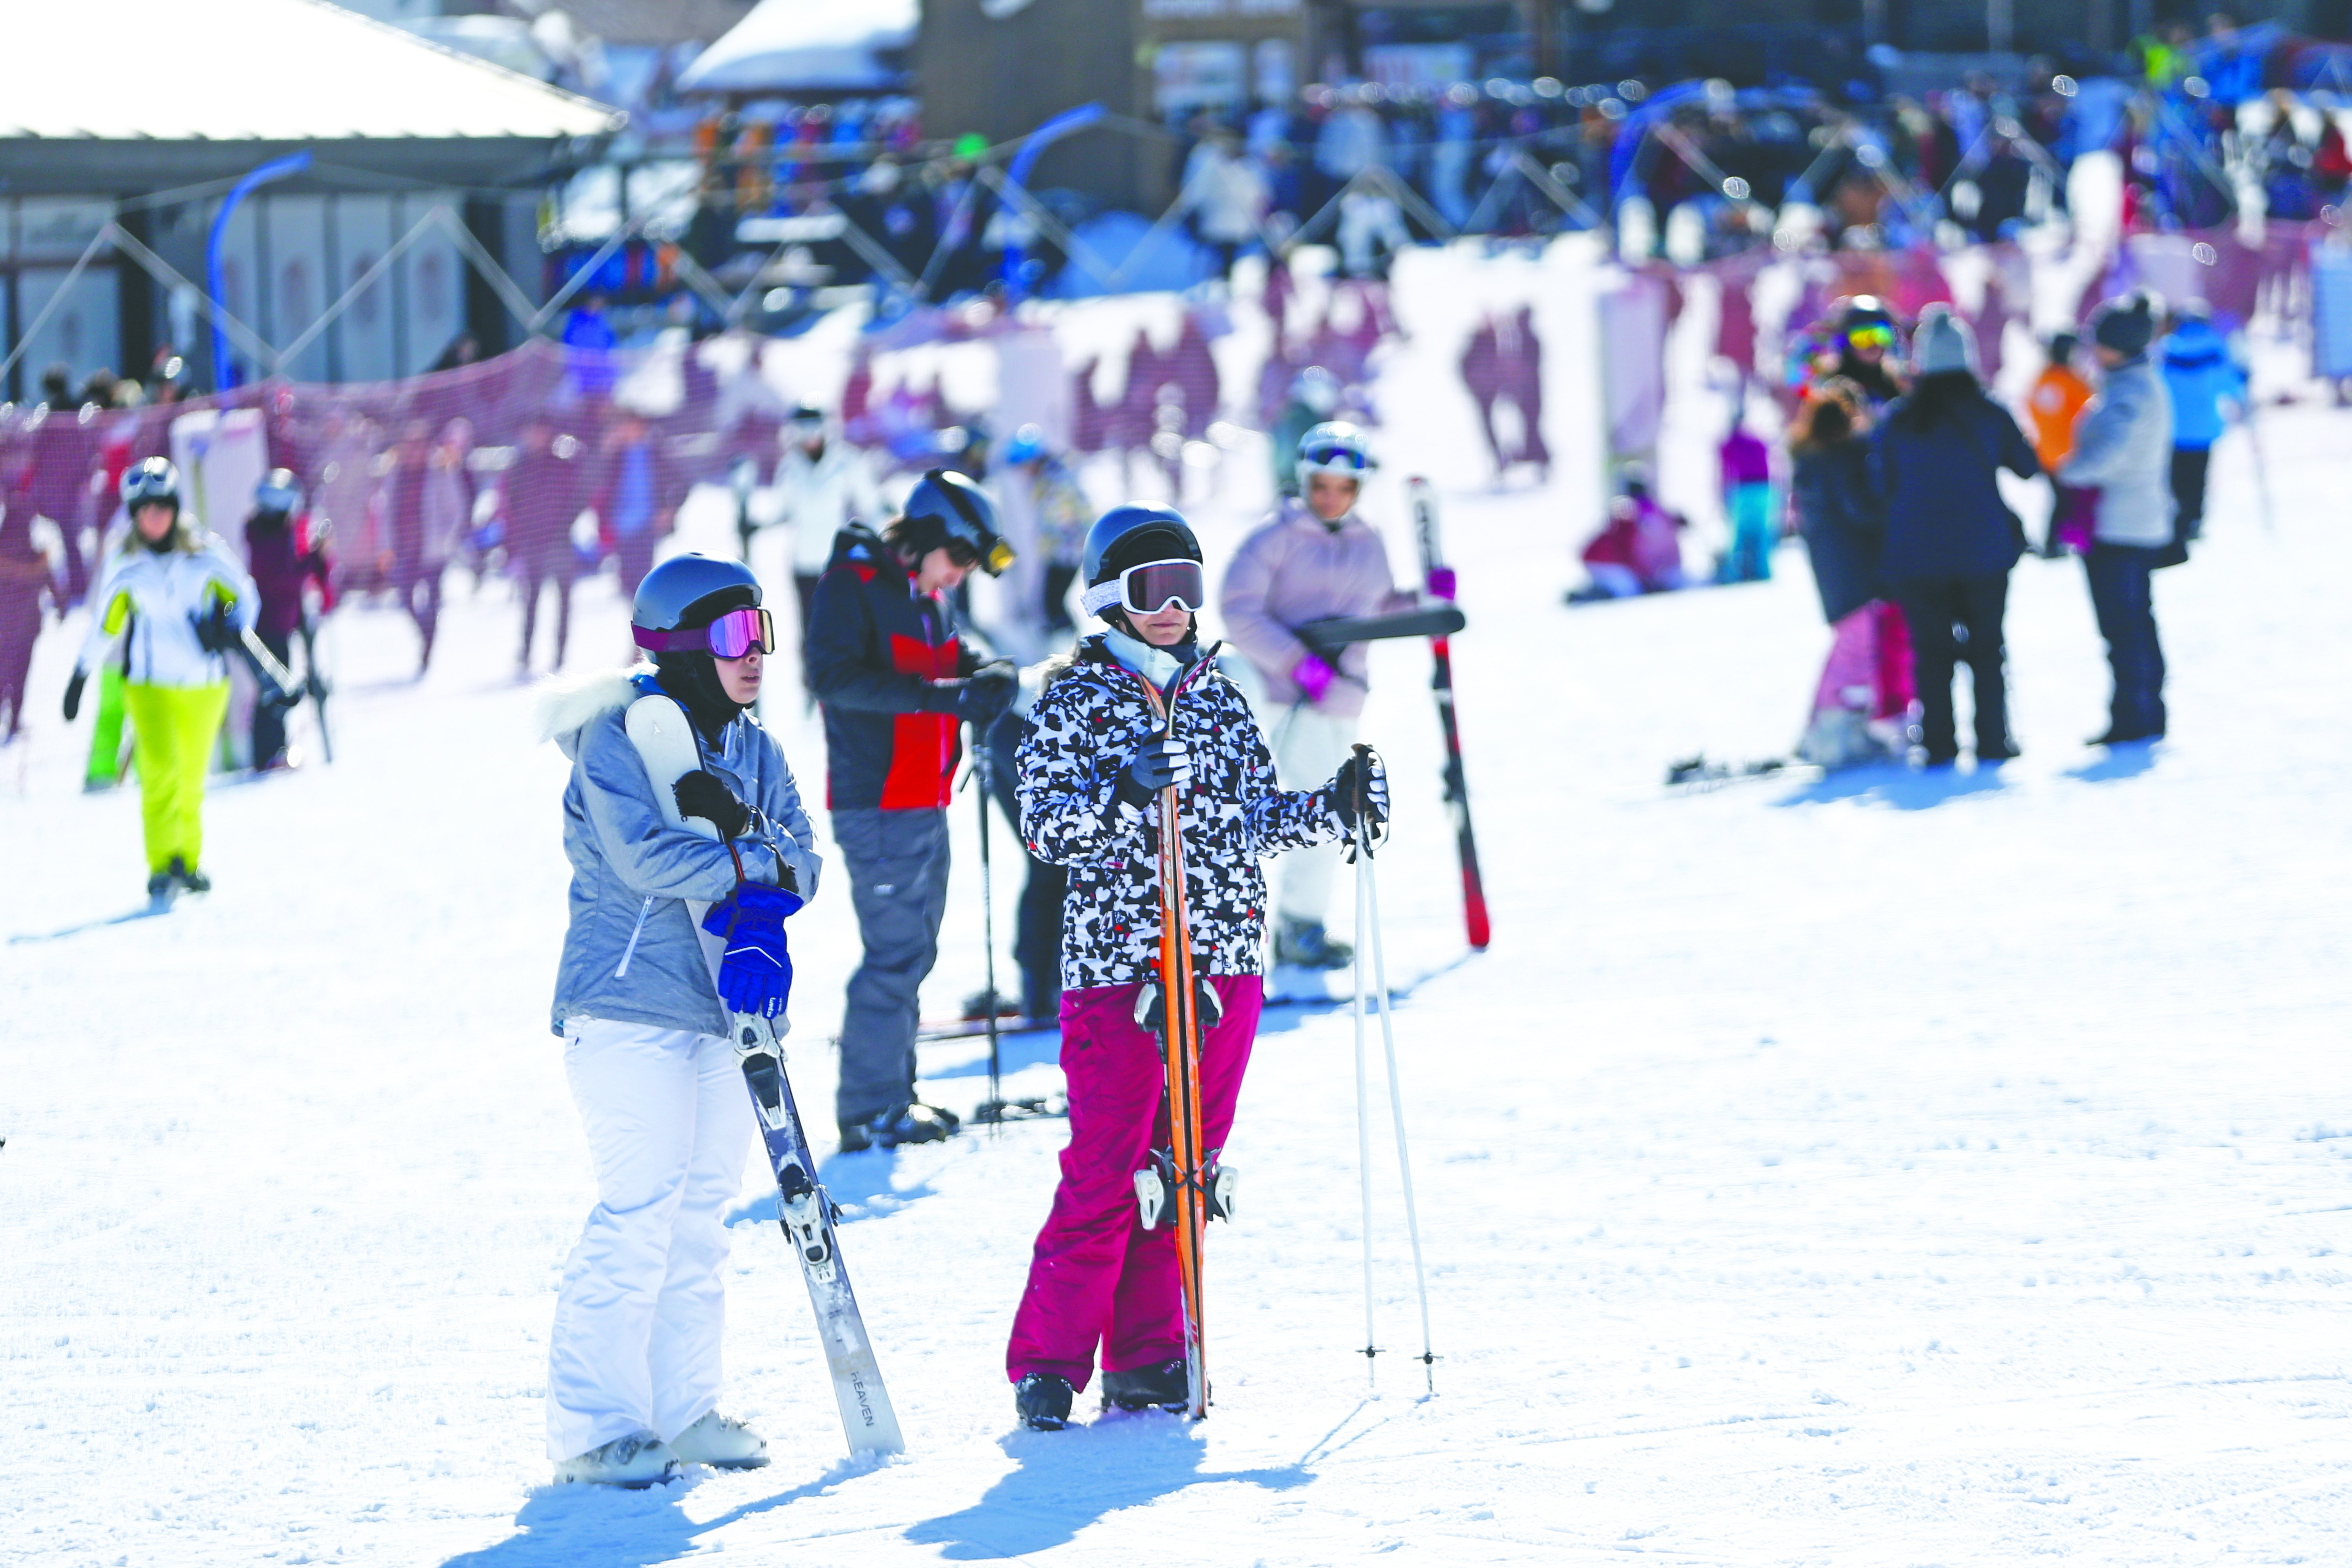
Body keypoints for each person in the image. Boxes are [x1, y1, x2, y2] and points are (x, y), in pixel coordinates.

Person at [1006, 502, 1388, 1430]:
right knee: (1106, 1167)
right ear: (1110, 597)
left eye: (1185, 585)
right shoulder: (1072, 694)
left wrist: (1329, 807)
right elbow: (1045, 827)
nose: (1172, 606)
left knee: (1183, 1166)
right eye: (1151, 589)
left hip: (1220, 958)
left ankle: (1147, 1353)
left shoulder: (1218, 692)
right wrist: (1123, 791)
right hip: (1118, 964)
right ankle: (1050, 1359)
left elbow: (1253, 815)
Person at [538, 553, 820, 1488]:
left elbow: (805, 863)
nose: (755, 657)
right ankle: (593, 1429)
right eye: (737, 638)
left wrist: (760, 878)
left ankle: (682, 1410)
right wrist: (750, 865)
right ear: (684, 648)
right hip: (626, 1008)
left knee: (701, 1219)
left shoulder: (756, 748)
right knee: (639, 1211)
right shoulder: (617, 737)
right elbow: (647, 859)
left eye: (764, 634)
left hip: (726, 1011)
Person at [806, 469, 1019, 1150]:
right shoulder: (855, 582)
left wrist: (988, 671)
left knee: (915, 950)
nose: (958, 577)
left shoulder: (928, 598)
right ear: (928, 535)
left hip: (925, 796)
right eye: (957, 560)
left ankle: (895, 1095)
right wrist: (944, 697)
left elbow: (955, 655)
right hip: (878, 800)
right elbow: (833, 678)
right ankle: (870, 1107)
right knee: (895, 954)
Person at [1218, 422, 1412, 971]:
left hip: (1342, 699)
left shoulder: (1367, 541)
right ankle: (1296, 927)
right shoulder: (1272, 537)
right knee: (1317, 808)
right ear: (1303, 481)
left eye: (1343, 488)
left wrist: (1425, 602)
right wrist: (1298, 665)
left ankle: (1300, 924)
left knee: (1339, 811)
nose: (1330, 497)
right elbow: (1239, 610)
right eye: (1320, 485)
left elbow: (1374, 610)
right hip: (1283, 700)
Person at [62, 459, 260, 897]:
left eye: (161, 506)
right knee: (157, 775)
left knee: (190, 779)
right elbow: (105, 625)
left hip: (203, 686)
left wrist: (227, 624)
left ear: (174, 506)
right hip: (148, 685)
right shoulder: (126, 561)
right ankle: (160, 864)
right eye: (143, 508)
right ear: (133, 514)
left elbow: (246, 596)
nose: (153, 516)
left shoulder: (204, 552)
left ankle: (188, 860)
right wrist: (80, 674)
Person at [1877, 305, 2041, 768]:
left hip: (1915, 555)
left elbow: (1880, 487)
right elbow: (2027, 468)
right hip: (1984, 551)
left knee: (1930, 654)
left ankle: (1938, 744)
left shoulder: (1899, 421)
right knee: (1987, 648)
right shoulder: (1989, 413)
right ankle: (1993, 740)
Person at [2063, 291, 2176, 745]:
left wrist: (2067, 469)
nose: (2092, 348)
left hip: (2119, 525)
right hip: (2134, 520)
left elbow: (2110, 454)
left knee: (2123, 627)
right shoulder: (2133, 385)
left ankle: (2134, 715)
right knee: (2137, 622)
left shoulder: (2130, 392)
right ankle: (2145, 711)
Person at [1789, 379, 1912, 769]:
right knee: (1856, 650)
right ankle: (1829, 731)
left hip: (1833, 572)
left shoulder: (1810, 462)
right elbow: (1861, 508)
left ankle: (1830, 727)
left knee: (1850, 647)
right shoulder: (1845, 458)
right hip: (1857, 570)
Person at [774, 405, 881, 671]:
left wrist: (868, 544)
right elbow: (782, 510)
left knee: (844, 621)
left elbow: (870, 506)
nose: (809, 437)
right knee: (809, 626)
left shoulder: (846, 461)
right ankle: (812, 681)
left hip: (838, 560)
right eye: (802, 430)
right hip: (804, 562)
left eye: (814, 429)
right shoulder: (789, 467)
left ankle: (847, 674)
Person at [243, 470, 334, 771]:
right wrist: (312, 556)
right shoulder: (265, 536)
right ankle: (268, 754)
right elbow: (284, 579)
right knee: (275, 690)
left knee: (280, 688)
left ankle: (275, 749)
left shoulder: (273, 533)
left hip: (281, 622)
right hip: (270, 626)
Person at [2156, 300, 2245, 564]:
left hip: (2173, 429)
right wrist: (2243, 380)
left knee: (2174, 478)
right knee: (2198, 478)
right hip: (2204, 427)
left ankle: (2177, 520)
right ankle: (2194, 520)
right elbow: (2230, 386)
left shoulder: (2167, 348)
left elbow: (2158, 382)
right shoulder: (2216, 348)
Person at [505, 416, 586, 677]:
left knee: (564, 600)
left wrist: (564, 526)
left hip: (560, 541)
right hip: (533, 542)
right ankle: (526, 652)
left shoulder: (564, 465)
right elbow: (513, 501)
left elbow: (578, 497)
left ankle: (560, 654)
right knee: (532, 599)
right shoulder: (520, 466)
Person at [997, 424, 1092, 634]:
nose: (1022, 473)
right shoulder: (1046, 480)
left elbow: (1064, 519)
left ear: (1033, 461)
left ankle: (1066, 643)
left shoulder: (1056, 480)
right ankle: (1062, 638)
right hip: (1059, 551)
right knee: (1050, 603)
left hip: (1066, 552)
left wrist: (1055, 539)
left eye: (1023, 466)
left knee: (1052, 604)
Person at [594, 410, 681, 605]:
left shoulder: (655, 453)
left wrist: (669, 508)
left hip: (646, 524)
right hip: (620, 526)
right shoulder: (615, 456)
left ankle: (646, 628)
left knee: (644, 583)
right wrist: (604, 453)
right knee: (627, 584)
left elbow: (681, 481)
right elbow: (594, 485)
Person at [1572, 462, 1688, 600]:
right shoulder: (1629, 511)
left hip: (1606, 560)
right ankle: (1587, 596)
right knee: (1627, 589)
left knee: (1629, 586)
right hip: (1605, 560)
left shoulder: (1644, 509)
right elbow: (1632, 548)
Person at [2026, 333, 2095, 557]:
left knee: (2061, 500)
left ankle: (2059, 541)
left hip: (2047, 452)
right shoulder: (2070, 382)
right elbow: (2092, 409)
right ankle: (2059, 543)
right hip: (2070, 453)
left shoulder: (2042, 380)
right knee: (2069, 502)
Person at [1717, 414, 1775, 583]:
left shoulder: (1729, 444)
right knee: (1762, 531)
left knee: (1739, 533)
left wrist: (1723, 494)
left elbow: (1724, 471)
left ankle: (1734, 574)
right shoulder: (1757, 441)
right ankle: (1761, 571)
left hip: (1745, 490)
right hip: (1763, 489)